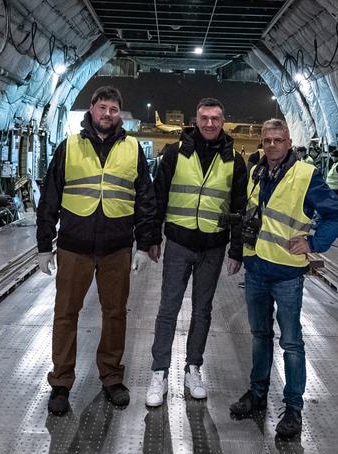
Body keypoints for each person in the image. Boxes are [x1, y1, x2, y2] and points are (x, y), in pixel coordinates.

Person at [37, 87, 159, 416]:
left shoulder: (133, 149)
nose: (107, 113)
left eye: (114, 109)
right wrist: (43, 245)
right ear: (91, 110)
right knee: (65, 315)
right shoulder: (69, 148)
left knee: (115, 314)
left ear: (120, 114)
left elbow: (145, 200)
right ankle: (61, 382)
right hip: (73, 248)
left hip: (116, 248)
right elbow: (50, 197)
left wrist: (144, 245)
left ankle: (111, 377)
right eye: (102, 107)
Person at [230, 119, 338, 439]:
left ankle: (293, 408)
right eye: (267, 140)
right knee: (259, 336)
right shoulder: (257, 172)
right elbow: (251, 217)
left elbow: (337, 214)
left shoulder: (306, 175)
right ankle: (257, 394)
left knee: (292, 343)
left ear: (288, 141)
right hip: (256, 270)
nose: (271, 145)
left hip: (286, 274)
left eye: (277, 140)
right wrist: (240, 253)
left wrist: (313, 244)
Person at [145, 98, 247, 407]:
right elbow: (158, 196)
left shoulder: (234, 161)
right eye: (204, 117)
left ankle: (193, 368)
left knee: (202, 311)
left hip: (213, 247)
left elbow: (239, 208)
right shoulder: (175, 153)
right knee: (168, 309)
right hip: (178, 243)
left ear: (223, 121)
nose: (210, 124)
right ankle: (159, 372)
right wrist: (153, 237)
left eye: (216, 118)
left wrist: (237, 250)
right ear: (196, 119)